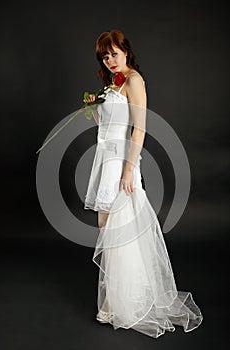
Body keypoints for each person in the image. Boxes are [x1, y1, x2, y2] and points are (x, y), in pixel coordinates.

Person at [84, 29, 203, 338]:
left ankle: (119, 302)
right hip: (105, 160)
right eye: (104, 56)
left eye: (114, 53)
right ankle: (115, 296)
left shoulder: (134, 81)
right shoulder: (112, 84)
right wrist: (93, 108)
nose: (110, 60)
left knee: (119, 232)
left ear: (126, 51)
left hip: (122, 162)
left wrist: (128, 170)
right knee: (106, 229)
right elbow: (108, 126)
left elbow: (139, 129)